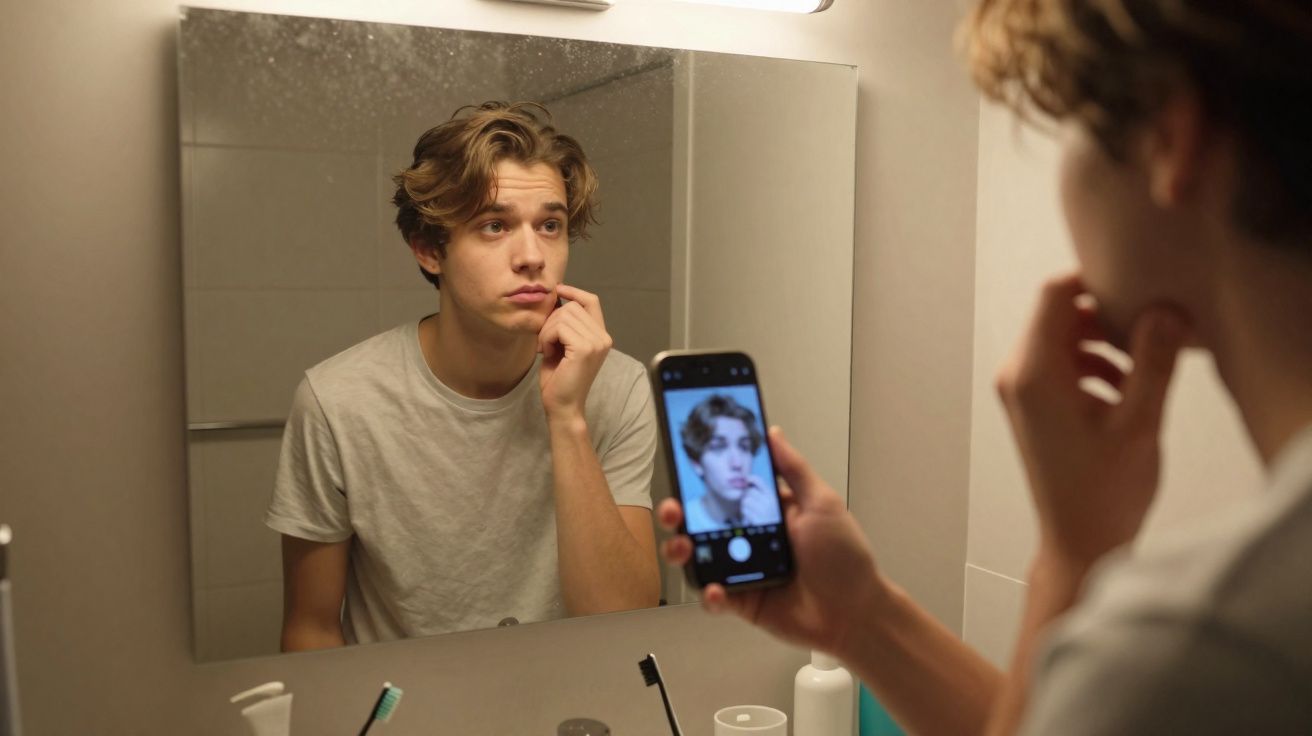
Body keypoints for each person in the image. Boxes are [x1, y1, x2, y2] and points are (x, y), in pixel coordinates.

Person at [660, 1, 1312, 733]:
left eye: (1065, 125)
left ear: (1171, 137)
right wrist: (860, 619)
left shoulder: (1205, 656)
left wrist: (1074, 554)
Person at [267, 101, 661, 650]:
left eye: (551, 225)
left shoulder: (616, 385)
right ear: (430, 250)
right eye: (494, 226)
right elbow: (311, 627)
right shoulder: (339, 400)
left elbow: (625, 620)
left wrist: (568, 418)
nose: (532, 256)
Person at [679, 394, 780, 532]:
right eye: (718, 447)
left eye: (744, 447)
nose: (737, 463)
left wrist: (770, 525)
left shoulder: (772, 512)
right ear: (697, 464)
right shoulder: (685, 520)